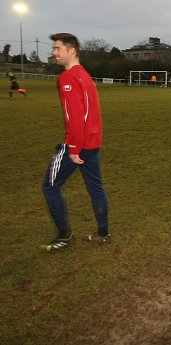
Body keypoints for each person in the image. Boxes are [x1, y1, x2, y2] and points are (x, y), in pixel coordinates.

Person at [42, 33, 111, 252]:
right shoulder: (85, 75)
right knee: (96, 190)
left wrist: (73, 148)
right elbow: (90, 114)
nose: (54, 53)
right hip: (93, 144)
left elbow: (76, 116)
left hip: (78, 145)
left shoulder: (68, 77)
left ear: (72, 51)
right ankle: (103, 233)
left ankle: (65, 235)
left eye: (58, 48)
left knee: (50, 187)